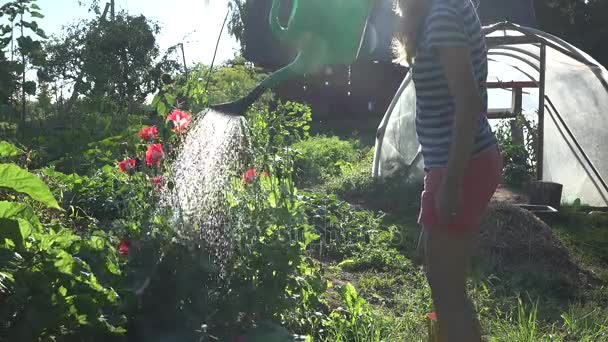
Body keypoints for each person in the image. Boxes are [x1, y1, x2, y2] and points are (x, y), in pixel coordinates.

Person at [393, 0, 503, 341]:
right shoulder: (440, 11)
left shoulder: (441, 15)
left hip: (463, 162)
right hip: (456, 160)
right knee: (447, 286)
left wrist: (452, 183)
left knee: (447, 290)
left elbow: (468, 103)